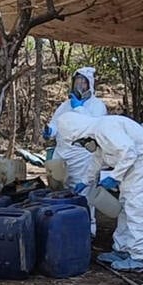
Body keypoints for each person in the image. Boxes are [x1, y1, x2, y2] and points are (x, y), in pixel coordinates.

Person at [56, 111, 143, 272]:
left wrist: (114, 176)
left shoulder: (105, 128)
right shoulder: (98, 135)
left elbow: (129, 153)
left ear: (81, 133)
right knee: (125, 209)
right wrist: (85, 181)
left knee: (140, 210)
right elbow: (97, 160)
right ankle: (122, 249)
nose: (83, 145)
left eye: (80, 141)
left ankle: (140, 257)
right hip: (133, 170)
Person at [42, 67, 107, 234]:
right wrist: (50, 130)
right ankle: (64, 224)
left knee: (84, 192)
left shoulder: (97, 106)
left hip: (83, 155)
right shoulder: (65, 105)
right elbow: (56, 124)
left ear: (90, 85)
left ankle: (87, 228)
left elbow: (93, 128)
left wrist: (79, 107)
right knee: (60, 190)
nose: (79, 85)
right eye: (77, 81)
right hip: (63, 153)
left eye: (83, 82)